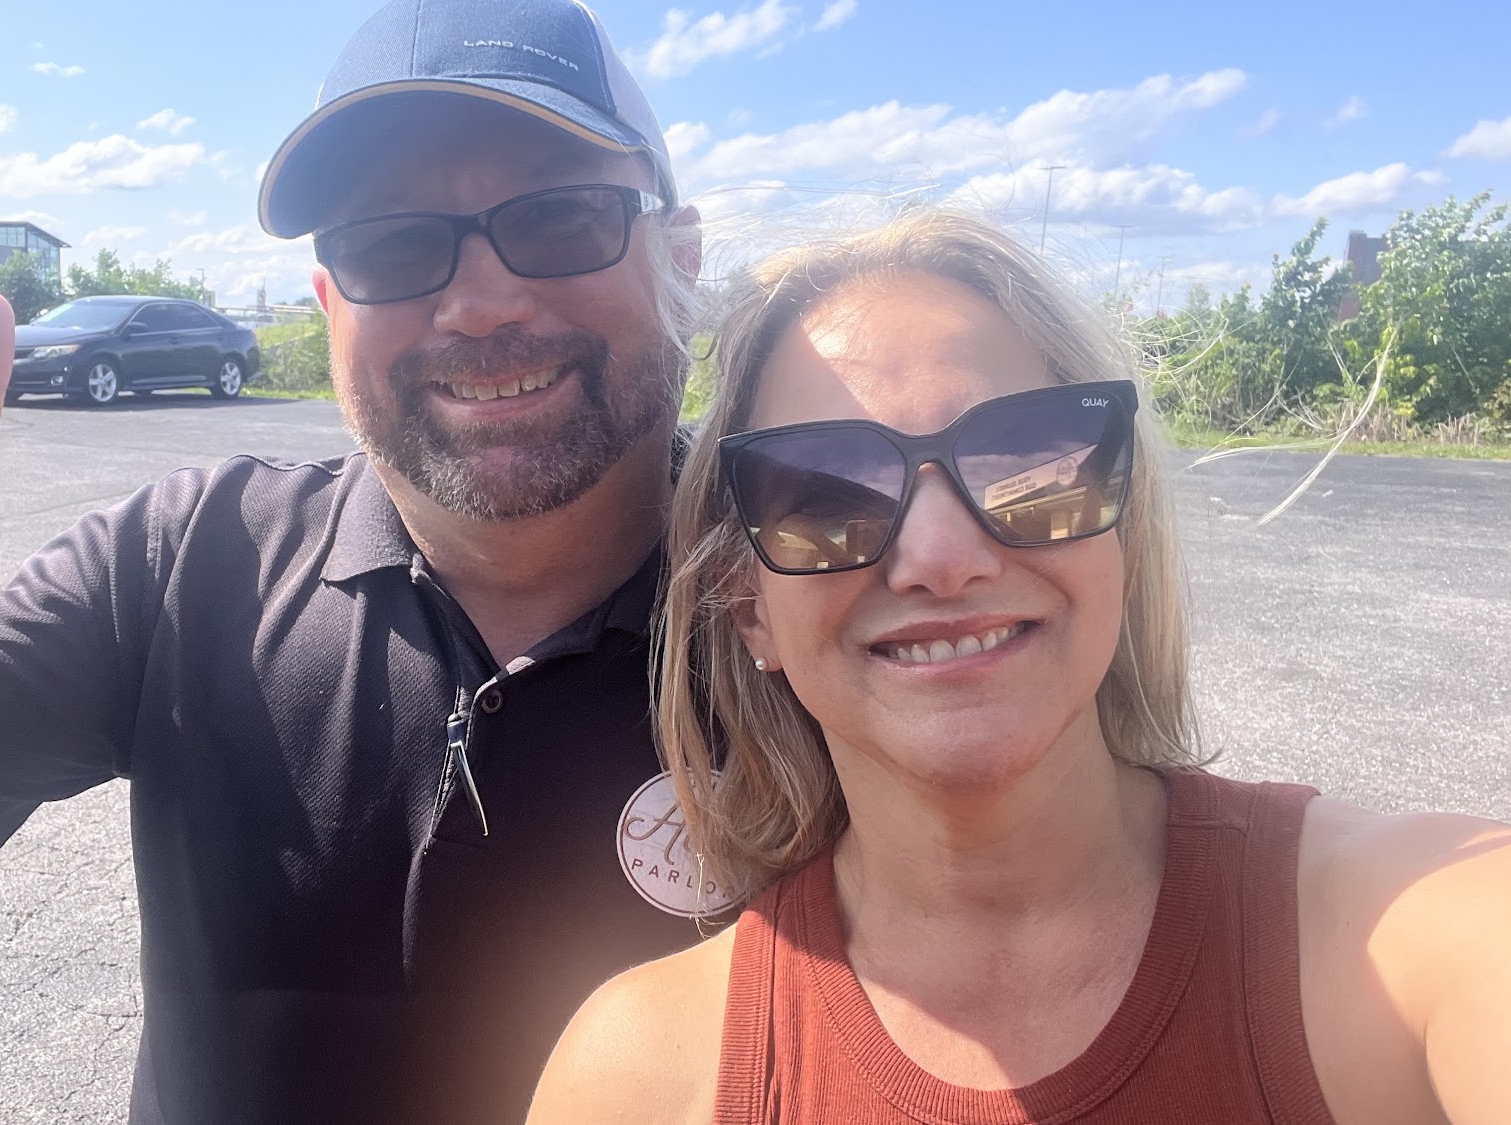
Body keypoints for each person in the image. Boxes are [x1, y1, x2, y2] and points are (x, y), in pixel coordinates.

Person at [0, 2, 719, 1122]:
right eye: (388, 244)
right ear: (329, 304)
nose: (478, 303)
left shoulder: (814, 587)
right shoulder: (184, 564)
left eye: (558, 217)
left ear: (682, 259)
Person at [526, 211, 1511, 1124]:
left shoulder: (1422, 923)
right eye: (827, 493)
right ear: (750, 609)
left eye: (1030, 462)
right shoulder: (642, 1077)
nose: (941, 556)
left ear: (1122, 535)